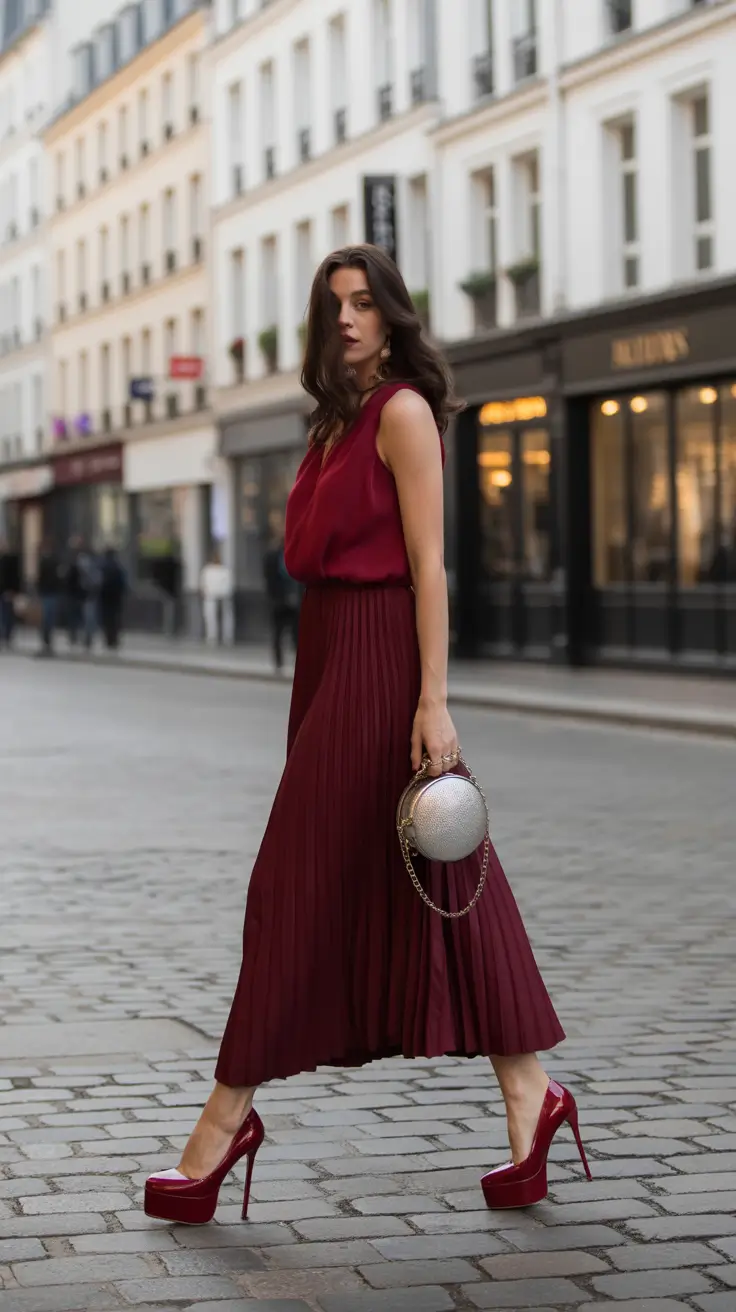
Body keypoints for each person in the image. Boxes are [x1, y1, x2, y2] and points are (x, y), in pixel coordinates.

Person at [145, 244, 589, 1226]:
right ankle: (531, 1096)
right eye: (332, 303)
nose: (347, 317)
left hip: (385, 663)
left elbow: (430, 566)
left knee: (292, 884)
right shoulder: (330, 423)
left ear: (391, 316)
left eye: (363, 302)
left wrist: (433, 700)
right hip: (329, 663)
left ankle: (221, 1127)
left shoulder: (398, 412)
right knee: (438, 875)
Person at [262, 513, 300, 672]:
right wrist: (276, 598)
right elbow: (269, 579)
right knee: (278, 632)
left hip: (295, 599)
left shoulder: (295, 554)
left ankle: (299, 663)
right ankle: (278, 662)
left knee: (296, 633)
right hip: (278, 600)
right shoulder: (271, 556)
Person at [64, 537, 100, 650]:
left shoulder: (87, 559)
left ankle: (85, 638)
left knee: (87, 616)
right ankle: (77, 636)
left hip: (86, 594)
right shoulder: (72, 559)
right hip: (77, 593)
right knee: (79, 616)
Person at [200, 548, 233, 646]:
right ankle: (212, 637)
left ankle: (227, 637)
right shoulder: (208, 570)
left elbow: (228, 584)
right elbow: (203, 584)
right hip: (211, 596)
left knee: (226, 617)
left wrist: (226, 593)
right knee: (211, 617)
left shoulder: (225, 570)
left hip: (223, 596)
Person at [98, 548, 127, 651]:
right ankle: (114, 639)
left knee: (107, 619)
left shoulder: (103, 567)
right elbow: (122, 583)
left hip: (105, 597)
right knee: (115, 618)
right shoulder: (117, 567)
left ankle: (109, 639)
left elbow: (99, 582)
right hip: (116, 597)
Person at [36, 540, 61, 656]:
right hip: (51, 592)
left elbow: (40, 579)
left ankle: (46, 641)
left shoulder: (44, 562)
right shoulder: (54, 561)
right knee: (49, 619)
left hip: (48, 593)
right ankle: (47, 641)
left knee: (47, 619)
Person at [0, 538, 21, 648]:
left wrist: (13, 590)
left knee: (7, 615)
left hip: (7, 592)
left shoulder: (11, 560)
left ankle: (7, 636)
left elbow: (14, 577)